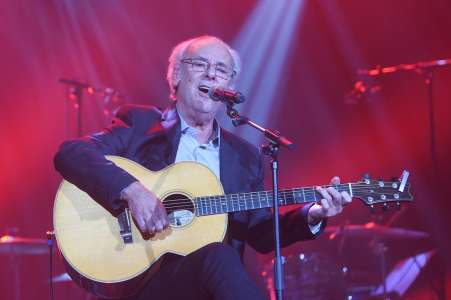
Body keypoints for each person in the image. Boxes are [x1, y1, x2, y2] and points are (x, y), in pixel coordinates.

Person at [54, 35, 352, 300]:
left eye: (221, 70)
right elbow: (72, 153)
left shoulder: (245, 157)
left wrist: (313, 214)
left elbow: (260, 233)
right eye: (200, 64)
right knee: (219, 258)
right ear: (175, 77)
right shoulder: (140, 123)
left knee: (221, 260)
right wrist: (131, 191)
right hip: (138, 276)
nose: (211, 73)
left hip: (206, 283)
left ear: (229, 88)